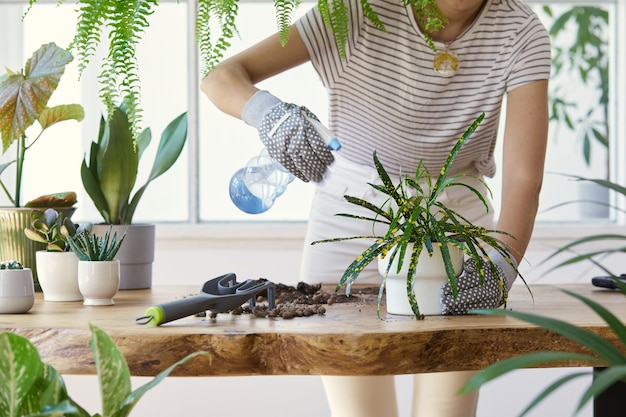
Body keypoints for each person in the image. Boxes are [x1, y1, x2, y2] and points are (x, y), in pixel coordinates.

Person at [202, 0, 551, 415]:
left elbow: (523, 180)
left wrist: (501, 266)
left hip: (454, 221)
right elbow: (221, 78)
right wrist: (269, 115)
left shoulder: (519, 29)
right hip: (349, 216)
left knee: (447, 410)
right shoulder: (356, 9)